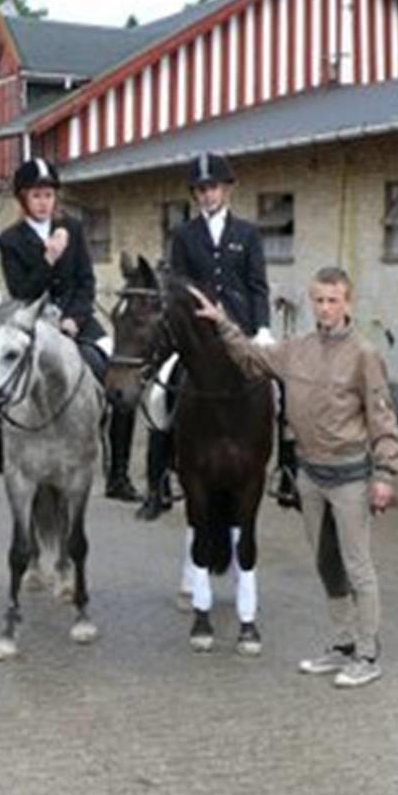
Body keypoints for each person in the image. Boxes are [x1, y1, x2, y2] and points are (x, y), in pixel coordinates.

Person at [191, 266, 398, 688]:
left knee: (357, 565)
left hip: (349, 477)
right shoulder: (297, 349)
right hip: (310, 476)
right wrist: (222, 323)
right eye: (318, 300)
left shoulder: (364, 354)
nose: (324, 308)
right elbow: (253, 358)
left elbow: (382, 416)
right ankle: (341, 644)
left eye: (332, 300)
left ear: (347, 303)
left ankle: (367, 653)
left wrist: (385, 473)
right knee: (326, 563)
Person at [0, 157, 139, 500]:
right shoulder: (9, 241)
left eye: (49, 195)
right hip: (32, 324)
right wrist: (49, 258)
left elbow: (86, 282)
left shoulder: (75, 228)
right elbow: (22, 292)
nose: (44, 203)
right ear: (23, 200)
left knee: (120, 378)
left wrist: (74, 319)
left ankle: (119, 475)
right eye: (37, 196)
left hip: (77, 321)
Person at [137, 150, 278, 521]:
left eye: (212, 188)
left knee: (283, 386)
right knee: (159, 395)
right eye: (200, 190)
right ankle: (157, 484)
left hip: (243, 331)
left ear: (226, 189)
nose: (207, 195)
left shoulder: (247, 234)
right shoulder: (184, 235)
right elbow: (179, 284)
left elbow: (258, 285)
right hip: (198, 337)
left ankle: (290, 469)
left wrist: (262, 329)